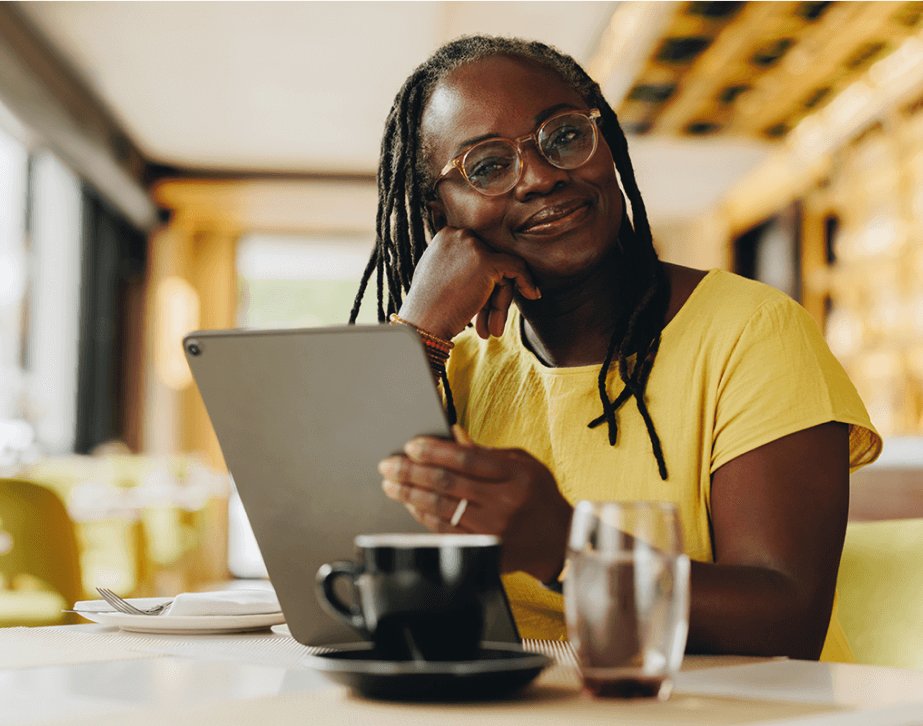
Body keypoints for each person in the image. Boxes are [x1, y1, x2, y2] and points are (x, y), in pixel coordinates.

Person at [351, 36, 882, 660]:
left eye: (564, 136)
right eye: (488, 167)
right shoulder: (458, 364)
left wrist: (566, 550)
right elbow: (342, 560)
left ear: (606, 144)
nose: (543, 176)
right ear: (441, 213)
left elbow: (787, 621)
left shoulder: (753, 332)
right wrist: (415, 331)